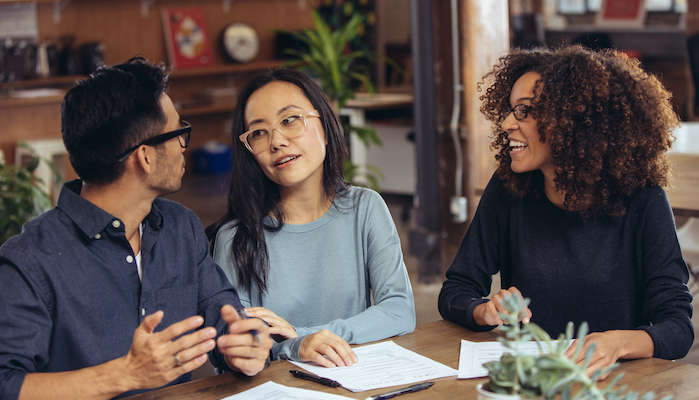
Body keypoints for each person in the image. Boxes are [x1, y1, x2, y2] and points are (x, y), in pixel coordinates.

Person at [0, 58, 272, 400]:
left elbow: (224, 320)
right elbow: (5, 383)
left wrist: (243, 347)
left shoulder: (180, 227)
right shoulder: (28, 260)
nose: (184, 146)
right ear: (144, 157)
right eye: (178, 134)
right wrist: (124, 375)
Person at [438, 45, 693, 376]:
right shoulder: (508, 190)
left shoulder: (643, 200)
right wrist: (484, 310)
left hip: (615, 385)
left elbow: (677, 328)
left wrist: (616, 343)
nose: (505, 123)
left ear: (571, 120)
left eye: (524, 111)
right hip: (532, 380)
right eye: (510, 110)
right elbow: (455, 291)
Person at [207, 69, 415, 368]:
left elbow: (399, 311)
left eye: (290, 120)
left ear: (326, 128)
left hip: (353, 380)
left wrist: (305, 337)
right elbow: (238, 346)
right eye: (259, 132)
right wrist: (295, 347)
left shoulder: (365, 208)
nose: (276, 141)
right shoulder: (236, 237)